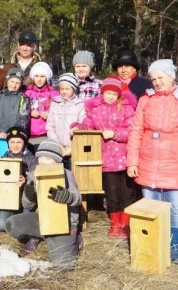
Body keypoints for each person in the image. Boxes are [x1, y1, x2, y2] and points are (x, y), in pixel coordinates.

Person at [126, 59, 178, 263]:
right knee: (149, 205)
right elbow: (136, 131)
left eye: (161, 78)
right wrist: (132, 161)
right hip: (147, 162)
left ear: (171, 76)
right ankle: (152, 247)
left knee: (175, 208)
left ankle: (173, 251)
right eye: (153, 79)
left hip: (174, 164)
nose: (157, 82)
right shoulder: (146, 99)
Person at [71, 78, 136, 238]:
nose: (111, 96)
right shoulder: (95, 109)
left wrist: (115, 134)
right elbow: (88, 125)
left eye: (114, 93)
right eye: (108, 93)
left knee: (127, 194)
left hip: (126, 157)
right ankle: (115, 226)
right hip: (106, 158)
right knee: (112, 194)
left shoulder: (127, 108)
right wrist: (77, 127)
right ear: (102, 92)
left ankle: (125, 225)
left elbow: (133, 129)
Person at [4, 139, 82, 269]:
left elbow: (77, 198)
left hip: (64, 223)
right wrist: (28, 195)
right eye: (40, 157)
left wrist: (67, 197)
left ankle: (74, 238)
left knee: (64, 266)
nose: (43, 161)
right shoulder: (35, 174)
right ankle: (40, 236)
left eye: (47, 158)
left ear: (57, 160)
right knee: (11, 224)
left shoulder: (67, 174)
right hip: (42, 219)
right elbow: (27, 205)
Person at [0, 126, 37, 231]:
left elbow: (36, 182)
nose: (15, 145)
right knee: (0, 225)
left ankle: (20, 218)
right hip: (8, 199)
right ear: (8, 143)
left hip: (26, 201)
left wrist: (25, 182)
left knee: (26, 226)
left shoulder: (32, 160)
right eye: (12, 142)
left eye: (19, 142)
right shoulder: (2, 159)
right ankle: (13, 217)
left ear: (24, 143)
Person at [46, 73, 86, 169]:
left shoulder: (80, 104)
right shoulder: (55, 103)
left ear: (74, 89)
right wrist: (58, 146)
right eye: (62, 89)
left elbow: (83, 126)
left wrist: (72, 148)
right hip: (58, 147)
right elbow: (50, 127)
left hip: (74, 148)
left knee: (74, 176)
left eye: (67, 89)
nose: (64, 92)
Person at [0, 68, 30, 138]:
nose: (14, 85)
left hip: (16, 136)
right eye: (12, 81)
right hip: (0, 135)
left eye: (17, 83)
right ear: (7, 81)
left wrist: (10, 132)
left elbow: (23, 119)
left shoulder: (23, 98)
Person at [24, 62, 59, 139]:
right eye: (36, 76)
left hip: (47, 133)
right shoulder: (26, 92)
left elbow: (59, 110)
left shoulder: (54, 93)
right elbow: (20, 108)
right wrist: (29, 112)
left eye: (42, 76)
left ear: (47, 78)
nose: (39, 79)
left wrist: (49, 113)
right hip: (30, 132)